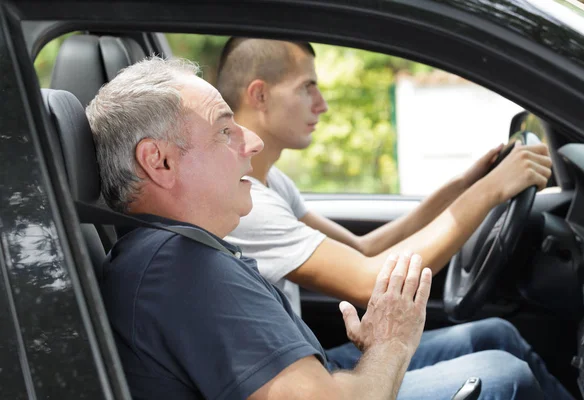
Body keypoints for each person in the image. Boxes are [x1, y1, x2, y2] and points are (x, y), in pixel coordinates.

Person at [87, 56, 546, 399]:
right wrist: (391, 344)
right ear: (160, 161)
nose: (252, 142)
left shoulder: (168, 255)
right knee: (508, 377)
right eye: (225, 131)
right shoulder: (183, 269)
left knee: (497, 345)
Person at [217, 38, 574, 398]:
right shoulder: (247, 204)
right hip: (304, 384)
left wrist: (465, 185)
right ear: (259, 95)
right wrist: (490, 192)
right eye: (307, 87)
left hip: (313, 363)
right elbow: (370, 284)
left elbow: (363, 246)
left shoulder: (273, 182)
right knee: (507, 375)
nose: (322, 104)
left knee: (497, 333)